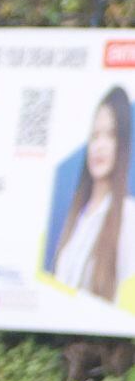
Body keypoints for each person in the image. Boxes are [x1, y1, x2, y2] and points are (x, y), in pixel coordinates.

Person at [49, 86, 133, 306]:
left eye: (110, 135)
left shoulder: (128, 217)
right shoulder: (75, 217)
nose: (100, 146)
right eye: (95, 136)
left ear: (122, 144)